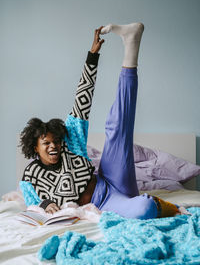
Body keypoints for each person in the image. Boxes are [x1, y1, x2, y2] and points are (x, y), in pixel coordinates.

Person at [20, 23, 179, 218]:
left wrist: (92, 57)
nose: (53, 146)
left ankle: (131, 43)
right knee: (144, 209)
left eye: (56, 141)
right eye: (46, 143)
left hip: (110, 178)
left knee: (117, 127)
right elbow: (32, 203)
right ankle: (159, 205)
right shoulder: (31, 175)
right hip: (106, 203)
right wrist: (46, 203)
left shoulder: (70, 142)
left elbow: (82, 99)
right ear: (35, 147)